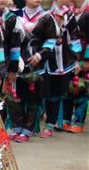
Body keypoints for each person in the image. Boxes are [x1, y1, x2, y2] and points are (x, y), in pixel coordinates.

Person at [31, 0, 82, 136]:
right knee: (37, 93)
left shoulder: (68, 15)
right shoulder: (41, 14)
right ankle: (31, 125)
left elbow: (74, 38)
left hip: (60, 61)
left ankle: (50, 125)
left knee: (54, 93)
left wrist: (77, 59)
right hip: (38, 59)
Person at [10, 0, 47, 142]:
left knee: (33, 96)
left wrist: (40, 54)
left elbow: (51, 39)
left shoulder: (46, 16)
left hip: (36, 63)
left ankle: (28, 129)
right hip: (17, 61)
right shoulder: (14, 15)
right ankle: (17, 127)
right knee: (16, 95)